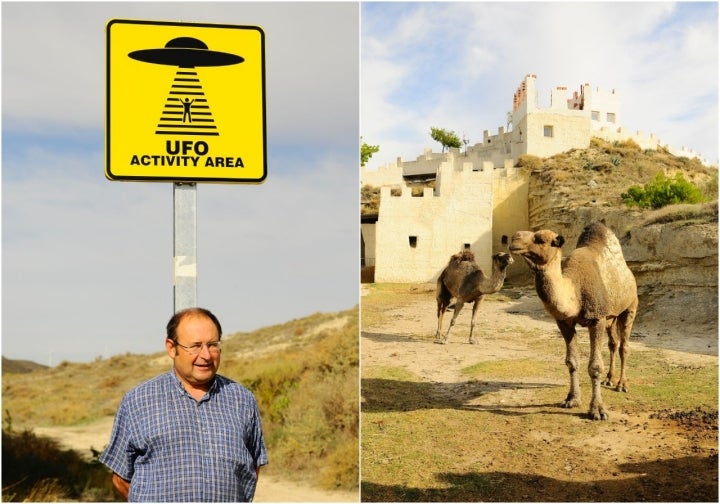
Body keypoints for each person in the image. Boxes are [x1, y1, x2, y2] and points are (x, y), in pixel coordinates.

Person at [99, 307, 268, 502]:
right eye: (195, 346)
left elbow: (252, 469)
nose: (206, 355)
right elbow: (121, 477)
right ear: (172, 348)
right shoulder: (138, 401)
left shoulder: (242, 400)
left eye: (212, 345)